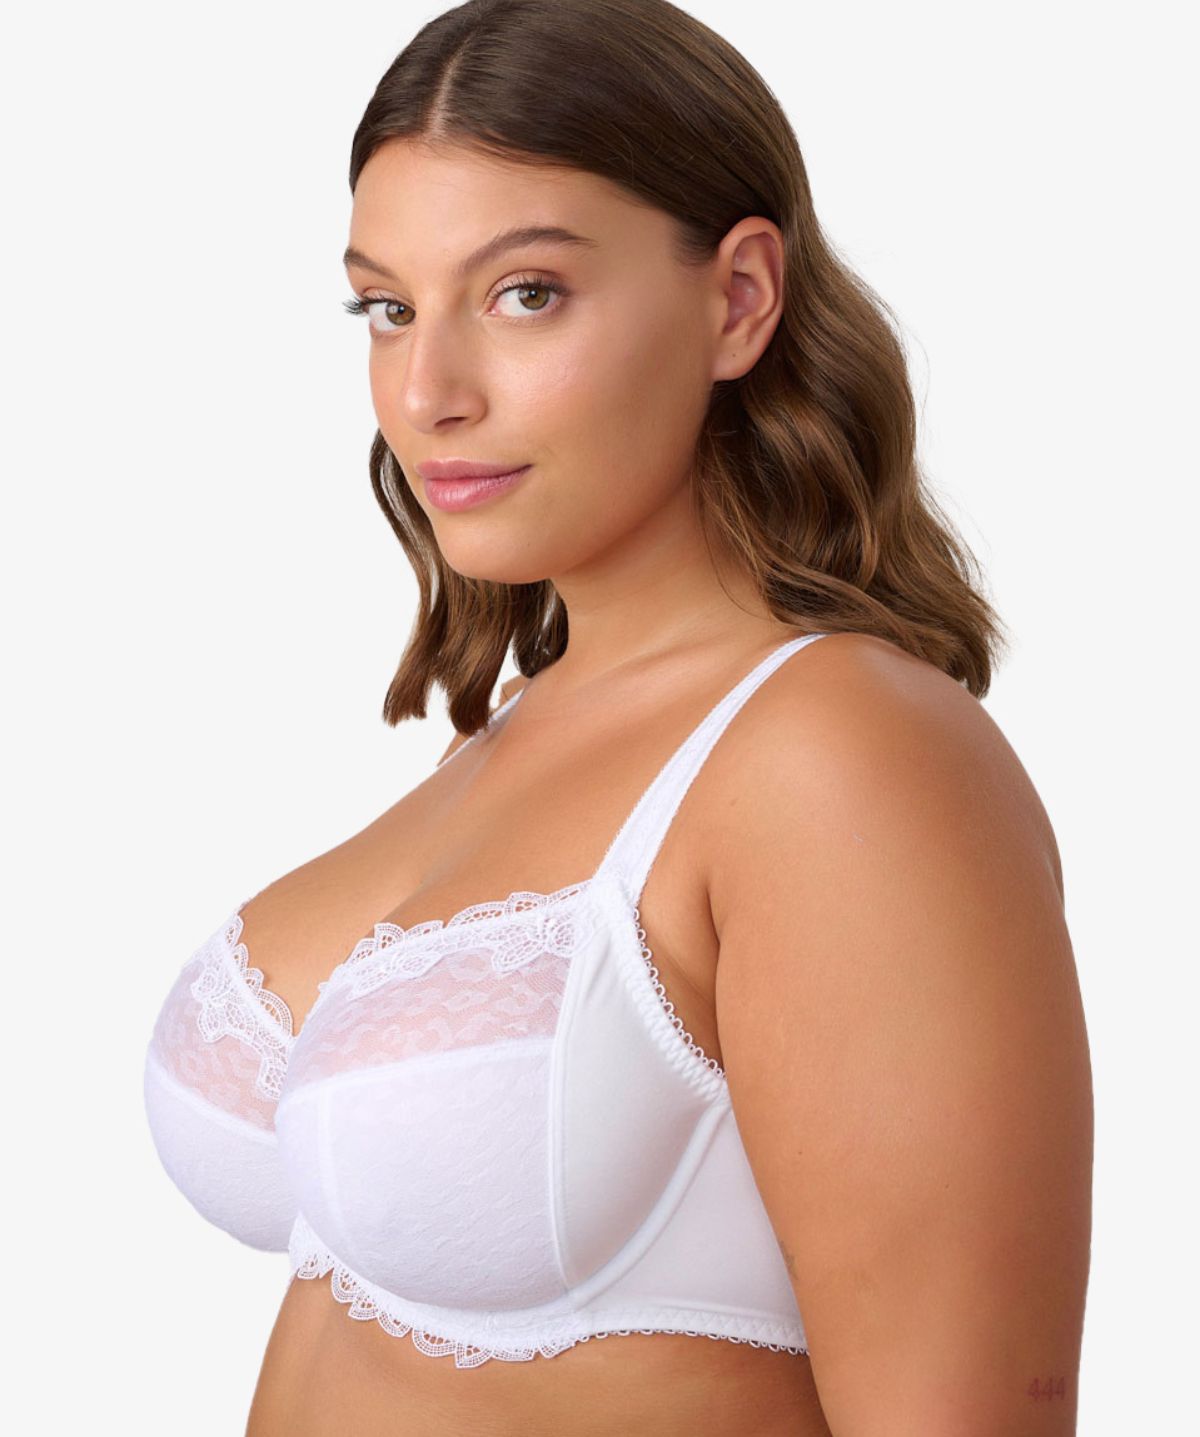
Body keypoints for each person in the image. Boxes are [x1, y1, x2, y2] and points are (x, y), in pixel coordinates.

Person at [141, 2, 1093, 1433]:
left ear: (739, 299)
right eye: (389, 307)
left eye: (525, 293)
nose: (428, 392)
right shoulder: (507, 738)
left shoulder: (840, 758)